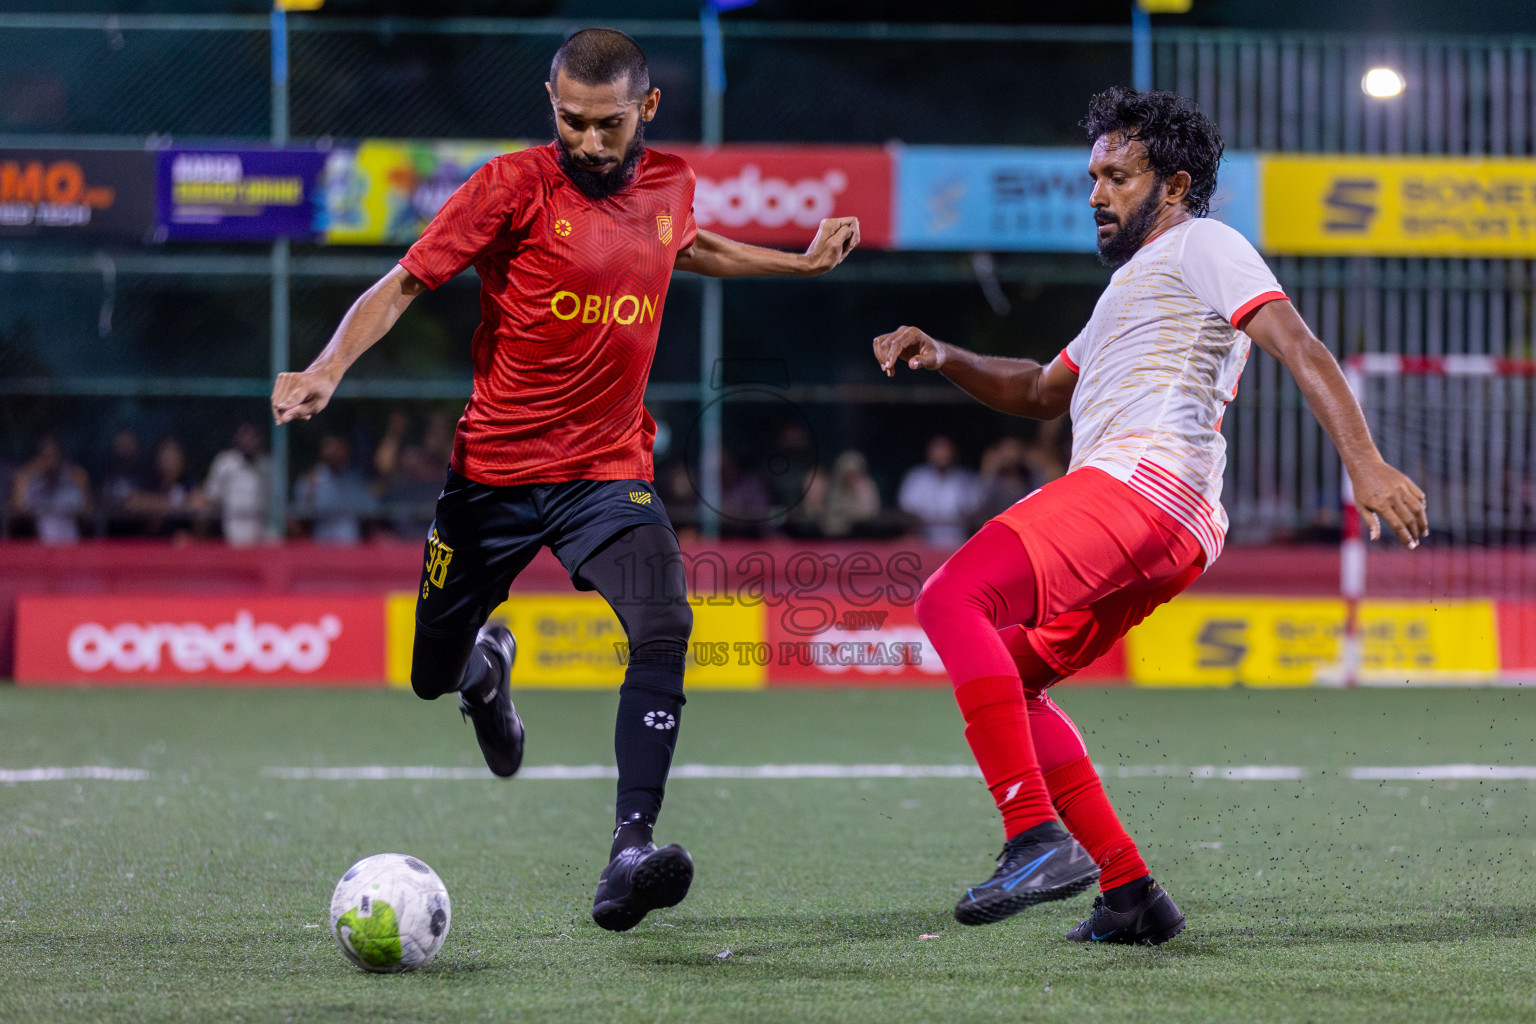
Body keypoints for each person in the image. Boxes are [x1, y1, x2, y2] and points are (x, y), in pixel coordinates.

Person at [270, 29, 858, 932]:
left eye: (607, 124)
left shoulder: (670, 183)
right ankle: (483, 677)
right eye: (572, 122)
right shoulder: (510, 186)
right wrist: (325, 369)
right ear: (552, 105)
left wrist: (800, 261)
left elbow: (685, 247)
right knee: (430, 672)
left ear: (647, 110)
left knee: (664, 620)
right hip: (492, 477)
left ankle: (629, 851)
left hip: (606, 471)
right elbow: (402, 283)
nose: (588, 142)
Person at [873, 86, 1426, 946]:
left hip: (1145, 484)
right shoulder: (1132, 287)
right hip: (1169, 517)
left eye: (1116, 177)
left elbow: (1298, 344)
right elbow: (1040, 391)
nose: (1095, 193)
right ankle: (1130, 894)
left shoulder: (1204, 243)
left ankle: (1032, 834)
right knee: (1015, 683)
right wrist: (943, 353)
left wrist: (1364, 459)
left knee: (952, 601)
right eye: (1093, 175)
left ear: (1173, 184)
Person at [897, 435, 980, 547]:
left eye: (945, 450)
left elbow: (974, 508)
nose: (941, 454)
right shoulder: (916, 477)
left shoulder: (966, 478)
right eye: (937, 449)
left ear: (953, 452)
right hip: (923, 541)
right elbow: (907, 507)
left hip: (957, 542)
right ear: (929, 452)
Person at [293, 434, 377, 544]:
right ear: (322, 452)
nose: (335, 453)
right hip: (322, 540)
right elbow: (301, 511)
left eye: (339, 449)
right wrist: (310, 492)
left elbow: (370, 508)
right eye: (330, 448)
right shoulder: (312, 478)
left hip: (350, 541)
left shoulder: (354, 479)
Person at [10, 435, 90, 544]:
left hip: (71, 544)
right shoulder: (33, 484)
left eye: (53, 455)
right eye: (45, 456)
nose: (50, 462)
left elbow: (87, 511)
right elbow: (18, 507)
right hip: (41, 546)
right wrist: (27, 473)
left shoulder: (72, 483)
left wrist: (79, 478)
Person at [204, 423, 272, 547]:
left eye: (252, 437)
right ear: (237, 438)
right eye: (245, 436)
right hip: (233, 527)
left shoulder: (267, 466)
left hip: (261, 529)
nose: (248, 441)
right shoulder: (225, 463)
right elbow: (211, 497)